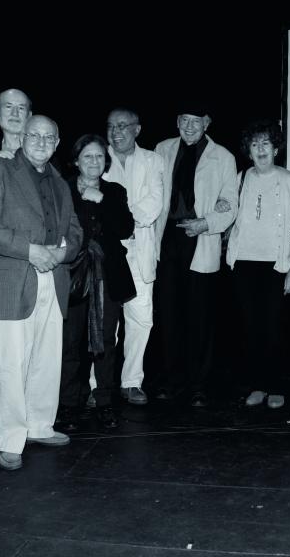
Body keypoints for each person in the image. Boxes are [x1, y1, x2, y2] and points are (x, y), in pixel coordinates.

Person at [0, 115, 83, 470]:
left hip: (54, 277)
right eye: (33, 134)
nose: (40, 140)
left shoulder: (62, 183)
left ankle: (39, 425)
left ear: (57, 141)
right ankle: (8, 438)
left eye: (48, 136)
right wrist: (32, 250)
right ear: (22, 137)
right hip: (13, 277)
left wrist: (63, 252)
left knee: (46, 360)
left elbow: (76, 231)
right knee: (9, 363)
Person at [154, 103, 239, 407]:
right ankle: (170, 380)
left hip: (201, 237)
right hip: (167, 239)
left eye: (196, 121)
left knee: (200, 317)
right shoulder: (161, 149)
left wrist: (205, 224)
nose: (189, 126)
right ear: (177, 121)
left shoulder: (224, 157)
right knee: (168, 313)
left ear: (207, 122)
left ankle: (198, 385)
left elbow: (229, 202)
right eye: (184, 121)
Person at [226, 120, 290, 409]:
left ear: (275, 147)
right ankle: (258, 385)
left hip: (277, 266)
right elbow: (229, 215)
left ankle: (276, 387)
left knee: (276, 328)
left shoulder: (289, 180)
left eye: (266, 143)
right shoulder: (240, 178)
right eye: (254, 144)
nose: (260, 149)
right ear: (248, 151)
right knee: (251, 329)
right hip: (244, 264)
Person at [60, 134, 135, 430]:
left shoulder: (114, 191)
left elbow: (125, 228)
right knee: (71, 341)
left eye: (99, 157)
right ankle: (69, 404)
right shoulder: (62, 189)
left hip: (107, 275)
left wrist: (100, 201)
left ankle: (104, 401)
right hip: (72, 275)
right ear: (76, 160)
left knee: (105, 341)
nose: (94, 162)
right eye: (87, 156)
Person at [102, 108, 164, 406]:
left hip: (141, 249)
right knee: (102, 323)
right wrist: (118, 220)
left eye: (123, 125)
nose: (117, 131)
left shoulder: (153, 161)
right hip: (107, 251)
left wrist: (118, 218)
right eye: (111, 126)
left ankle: (131, 382)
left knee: (140, 319)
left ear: (137, 129)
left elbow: (154, 204)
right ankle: (96, 385)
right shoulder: (97, 157)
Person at [0, 88, 32, 159]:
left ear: (29, 116)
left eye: (21, 108)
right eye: (8, 107)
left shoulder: (42, 150)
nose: (15, 113)